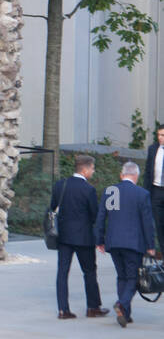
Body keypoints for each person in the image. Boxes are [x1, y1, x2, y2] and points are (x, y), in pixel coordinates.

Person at [94, 161, 157, 328]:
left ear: (122, 175)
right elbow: (147, 222)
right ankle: (122, 304)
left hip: (113, 242)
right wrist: (151, 245)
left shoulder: (110, 191)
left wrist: (99, 240)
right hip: (133, 243)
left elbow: (101, 217)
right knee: (133, 278)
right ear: (136, 175)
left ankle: (125, 315)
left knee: (121, 276)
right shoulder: (141, 194)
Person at [50, 154, 107, 319]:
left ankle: (63, 309)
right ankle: (93, 307)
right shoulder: (88, 189)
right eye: (92, 169)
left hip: (64, 236)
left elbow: (53, 206)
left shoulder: (61, 184)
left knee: (62, 272)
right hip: (83, 237)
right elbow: (94, 215)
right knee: (89, 272)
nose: (93, 172)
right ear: (85, 169)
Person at [147, 125, 164, 255]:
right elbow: (148, 172)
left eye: (162, 135)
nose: (160, 138)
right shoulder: (153, 149)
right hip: (156, 190)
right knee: (158, 225)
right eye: (158, 135)